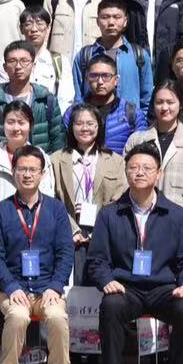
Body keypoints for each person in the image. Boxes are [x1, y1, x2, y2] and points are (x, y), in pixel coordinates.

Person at [87, 141, 183, 364]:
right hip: (126, 287)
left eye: (147, 168)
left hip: (163, 288)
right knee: (111, 305)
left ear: (158, 174)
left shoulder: (176, 215)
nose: (140, 172)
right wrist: (106, 280)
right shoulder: (110, 214)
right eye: (134, 167)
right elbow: (97, 259)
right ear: (126, 171)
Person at [0, 144, 79, 364]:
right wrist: (11, 286)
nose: (27, 174)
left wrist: (56, 286)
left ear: (42, 174)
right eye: (22, 169)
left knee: (57, 316)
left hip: (47, 289)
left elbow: (65, 253)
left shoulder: (56, 210)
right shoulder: (0, 211)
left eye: (33, 170)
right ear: (13, 172)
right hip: (12, 289)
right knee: (17, 316)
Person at [50, 104, 128, 277]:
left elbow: (120, 197)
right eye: (79, 123)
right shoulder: (56, 160)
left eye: (90, 123)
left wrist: (98, 224)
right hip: (68, 235)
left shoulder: (115, 161)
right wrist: (73, 229)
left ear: (99, 126)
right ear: (71, 127)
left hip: (103, 236)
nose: (85, 128)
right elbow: (52, 200)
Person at [124, 83, 183, 215]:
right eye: (159, 102)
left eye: (170, 102)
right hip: (140, 218)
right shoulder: (136, 140)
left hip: (177, 220)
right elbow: (125, 180)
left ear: (180, 104)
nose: (164, 107)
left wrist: (180, 220)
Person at [76, 0, 156, 117]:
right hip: (93, 124)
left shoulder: (139, 55)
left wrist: (141, 123)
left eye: (117, 17)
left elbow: (147, 97)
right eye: (105, 17)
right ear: (97, 21)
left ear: (125, 21)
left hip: (130, 124)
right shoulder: (85, 56)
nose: (111, 23)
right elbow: (78, 96)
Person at [0, 40, 62, 150]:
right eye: (12, 61)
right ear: (5, 67)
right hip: (1, 159)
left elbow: (58, 142)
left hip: (38, 160)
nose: (18, 66)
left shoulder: (46, 99)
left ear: (33, 65)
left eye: (24, 61)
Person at [66, 53, 145, 152]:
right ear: (87, 79)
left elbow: (141, 151)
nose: (100, 82)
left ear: (116, 80)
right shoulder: (72, 112)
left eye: (106, 76)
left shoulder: (132, 113)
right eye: (94, 76)